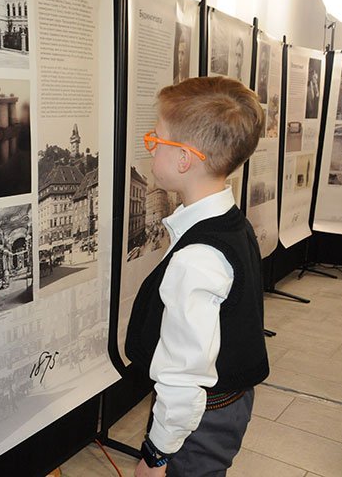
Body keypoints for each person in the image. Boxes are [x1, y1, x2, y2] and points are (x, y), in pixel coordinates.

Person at [126, 76, 268, 476]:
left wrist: (156, 455)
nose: (150, 146)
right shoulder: (230, 224)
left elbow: (184, 377)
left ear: (184, 159)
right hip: (223, 405)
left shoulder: (198, 257)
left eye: (156, 139)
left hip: (201, 421)